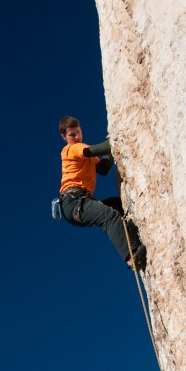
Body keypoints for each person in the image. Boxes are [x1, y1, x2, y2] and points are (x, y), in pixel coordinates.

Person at [58, 116, 147, 271]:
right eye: (72, 135)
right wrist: (115, 137)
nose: (77, 137)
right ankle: (131, 257)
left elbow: (104, 168)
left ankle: (134, 240)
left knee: (117, 205)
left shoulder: (85, 156)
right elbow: (96, 150)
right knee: (109, 216)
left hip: (78, 202)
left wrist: (111, 149)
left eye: (78, 132)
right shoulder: (72, 149)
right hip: (73, 201)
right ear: (64, 137)